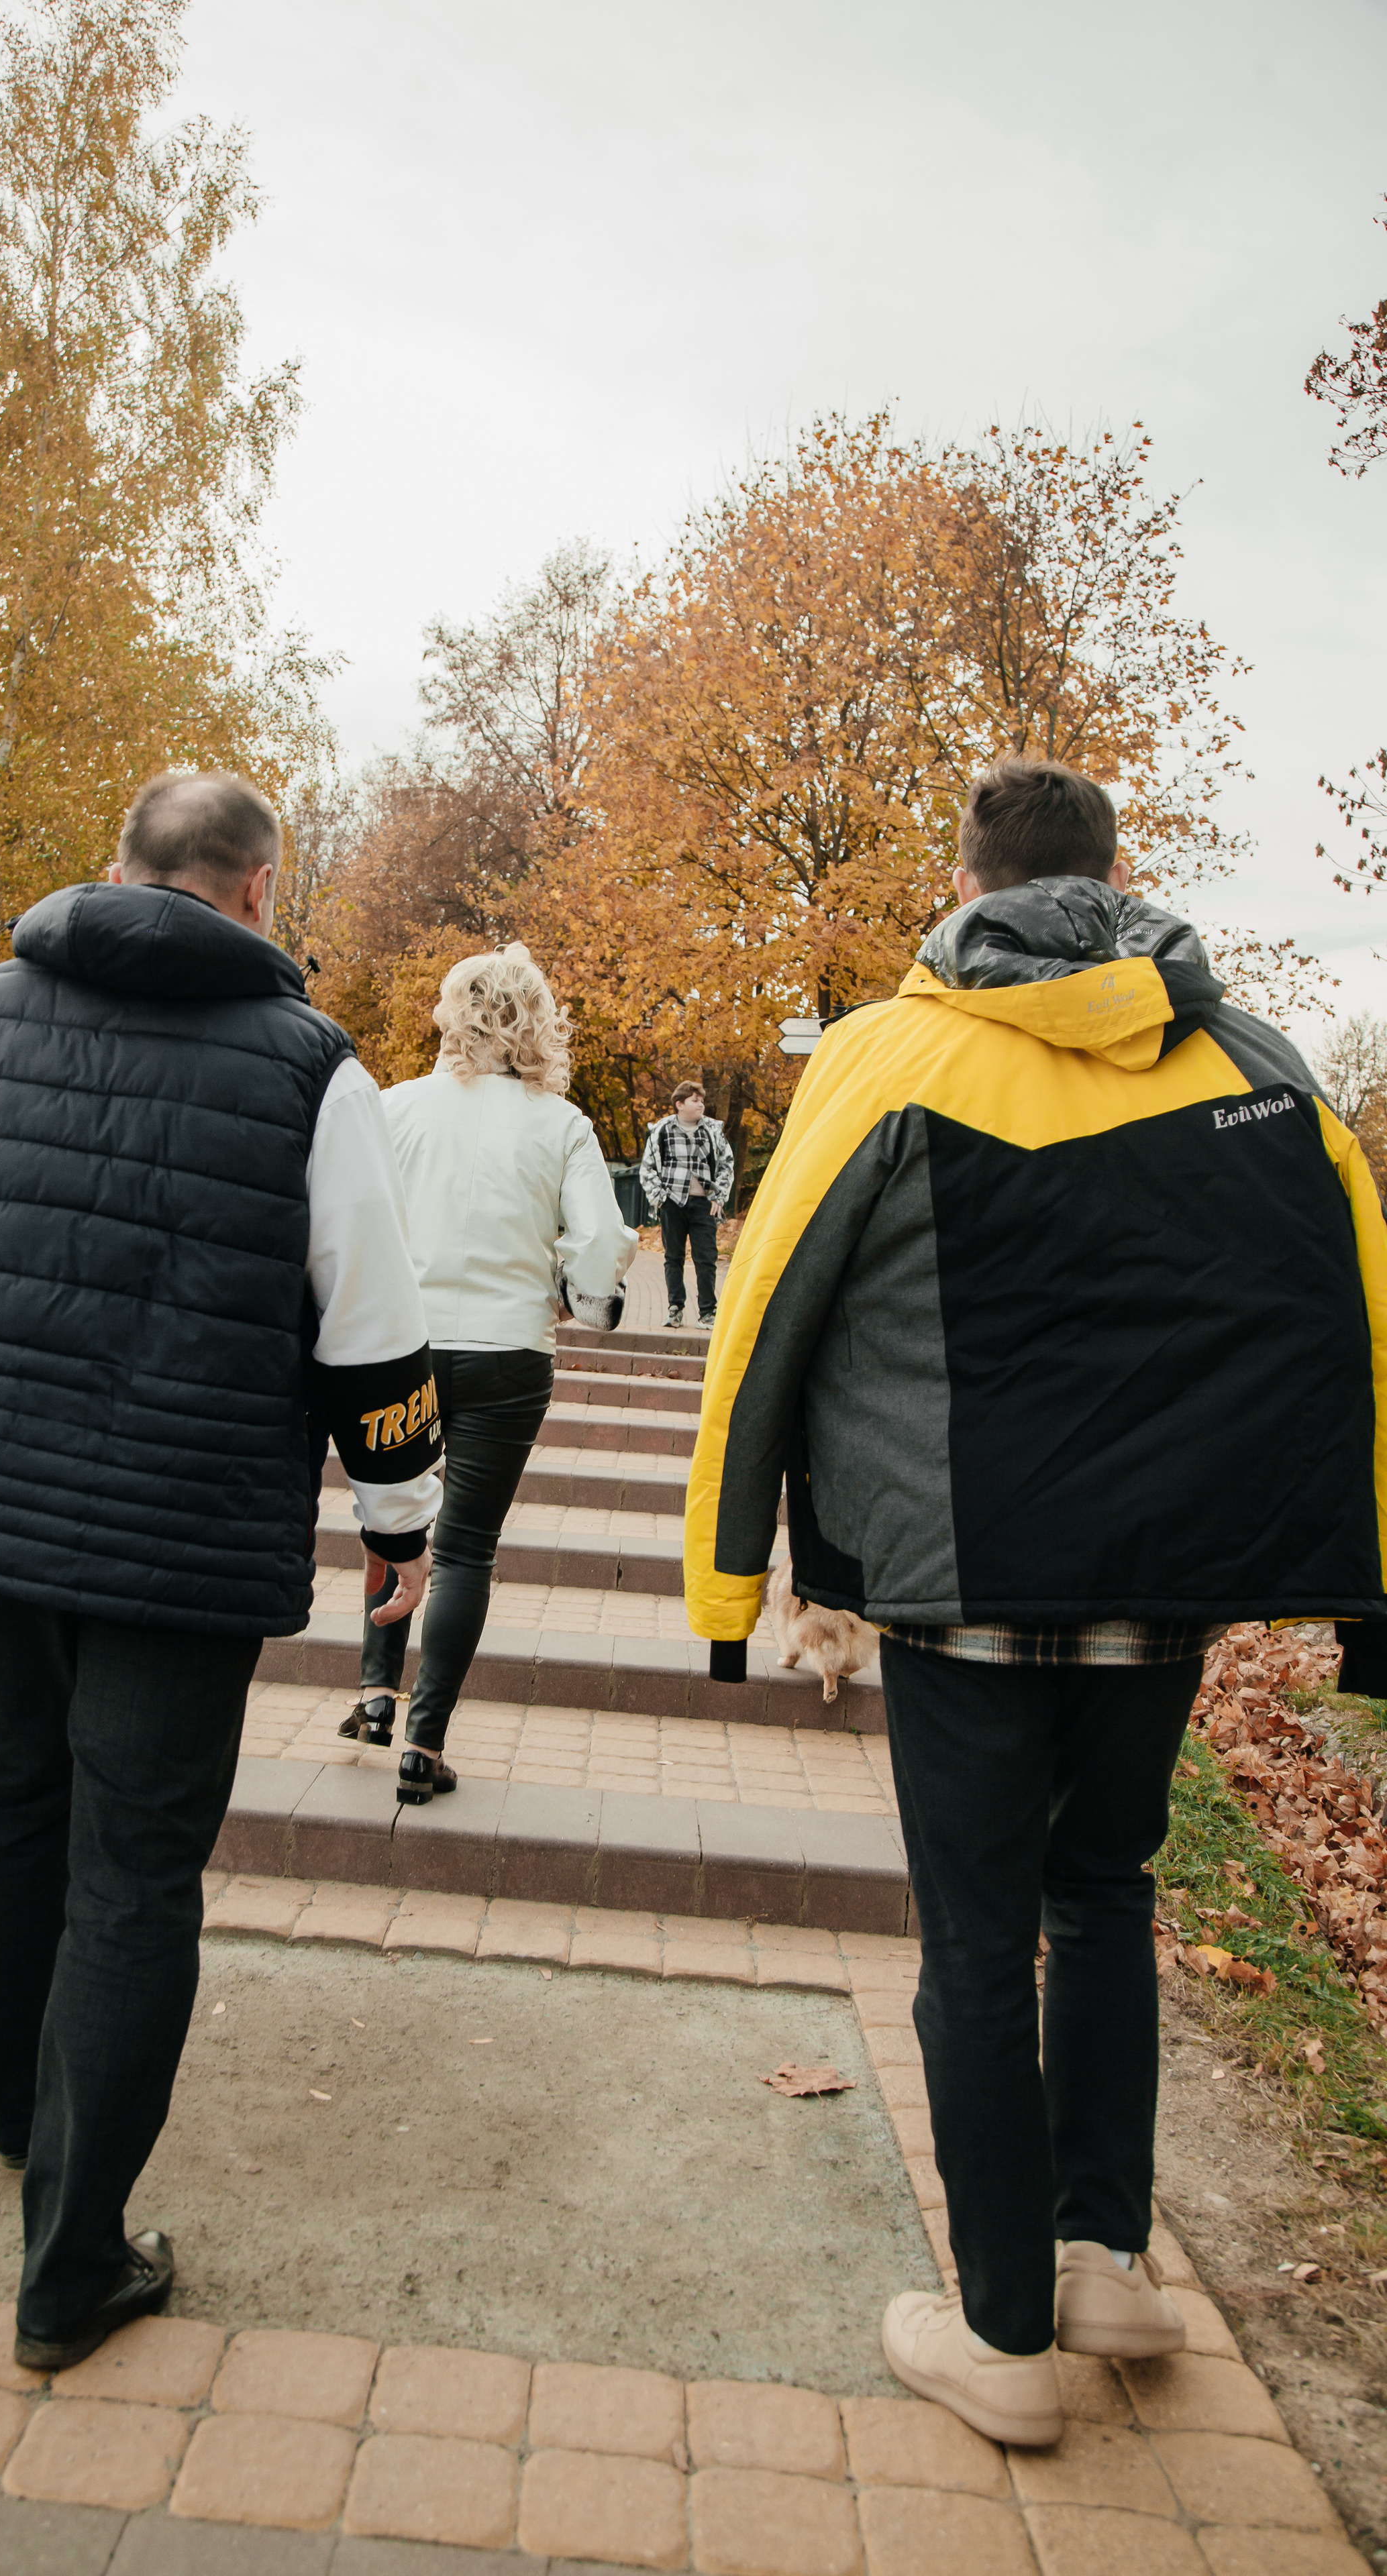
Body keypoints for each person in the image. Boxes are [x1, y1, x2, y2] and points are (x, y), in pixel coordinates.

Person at [682, 756, 1387, 2449]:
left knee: (974, 1935)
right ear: (1111, 875)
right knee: (1107, 1887)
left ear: (964, 880)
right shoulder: (1256, 1062)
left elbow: (760, 1311)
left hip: (954, 1574)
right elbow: (1351, 1297)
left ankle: (1000, 2329)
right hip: (1162, 1585)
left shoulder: (884, 1053)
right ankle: (1099, 2254)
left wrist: (726, 1580)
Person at [0, 772, 444, 2373]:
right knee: (137, 1874)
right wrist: (400, 1520)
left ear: (114, 869)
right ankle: (71, 2259)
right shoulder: (313, 1070)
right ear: (255, 890)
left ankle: (15, 2098)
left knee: (16, 1802)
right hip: (184, 1545)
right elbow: (367, 1328)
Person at [342, 944, 637, 1802]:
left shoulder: (395, 1107)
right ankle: (424, 1745)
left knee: (387, 1506)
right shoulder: (563, 1124)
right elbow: (593, 1263)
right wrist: (586, 1296)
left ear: (452, 1012)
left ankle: (372, 1687)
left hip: (403, 1345)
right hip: (509, 1354)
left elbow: (356, 1222)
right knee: (467, 1546)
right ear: (538, 1023)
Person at [639, 1081, 733, 1327]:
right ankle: (675, 1308)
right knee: (674, 1257)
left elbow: (726, 1163)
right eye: (695, 1100)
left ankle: (707, 1313)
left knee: (706, 1258)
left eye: (702, 1100)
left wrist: (719, 1196)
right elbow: (648, 1168)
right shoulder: (662, 1130)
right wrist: (660, 1198)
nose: (701, 1104)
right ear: (679, 1105)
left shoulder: (713, 1130)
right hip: (673, 1203)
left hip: (705, 1204)